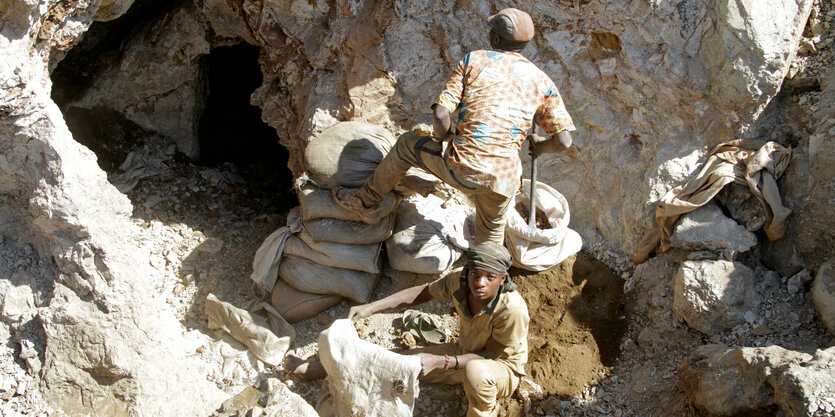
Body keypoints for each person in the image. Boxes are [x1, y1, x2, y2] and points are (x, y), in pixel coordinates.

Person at [333, 7, 576, 245]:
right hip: (503, 181)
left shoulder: (475, 60)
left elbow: (440, 114)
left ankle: (365, 201)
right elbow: (564, 141)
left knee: (407, 144)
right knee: (490, 236)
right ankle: (487, 274)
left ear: (495, 37)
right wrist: (540, 146)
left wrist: (444, 136)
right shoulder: (543, 82)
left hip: (464, 168)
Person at [348, 241, 529, 417]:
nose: (480, 283)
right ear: (468, 271)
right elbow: (424, 292)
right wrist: (371, 307)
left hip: (500, 366)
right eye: (475, 274)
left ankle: (486, 412)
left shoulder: (512, 310)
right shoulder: (460, 281)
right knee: (404, 363)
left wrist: (441, 362)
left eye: (490, 277)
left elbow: (490, 354)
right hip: (464, 350)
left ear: (502, 279)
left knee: (476, 372)